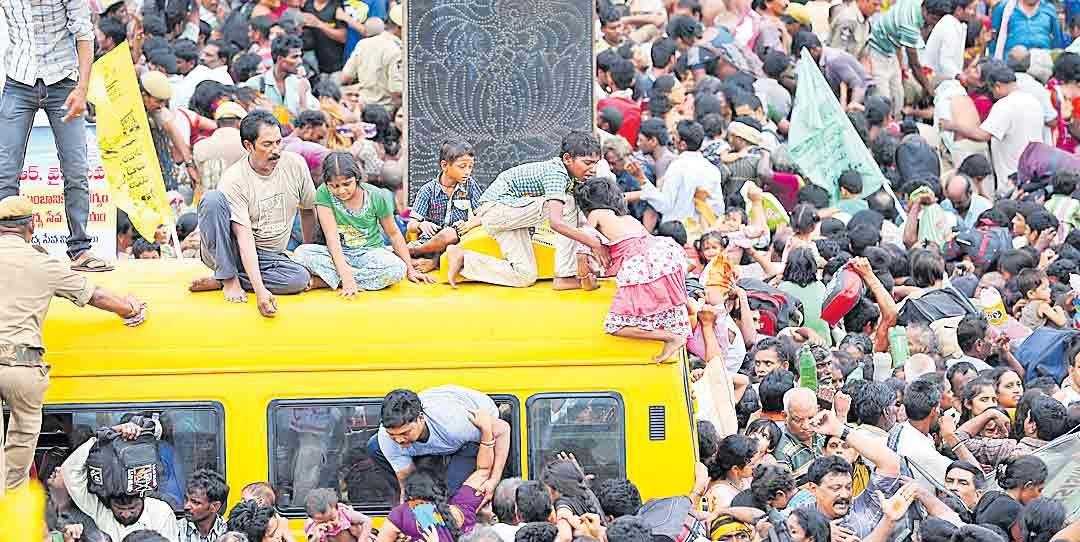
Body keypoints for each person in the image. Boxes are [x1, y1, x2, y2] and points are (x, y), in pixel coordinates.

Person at [0, 195, 147, 492]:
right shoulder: (42, 263)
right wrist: (131, 308)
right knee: (22, 438)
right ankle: (9, 498)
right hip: (21, 367)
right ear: (32, 225)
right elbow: (96, 296)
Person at [0, 0, 113, 272]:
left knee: (76, 170)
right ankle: (9, 248)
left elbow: (83, 34)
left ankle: (80, 249)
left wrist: (82, 89)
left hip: (64, 81)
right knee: (5, 171)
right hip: (18, 79)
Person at [189, 111, 317, 318]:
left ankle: (223, 279)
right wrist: (260, 291)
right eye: (267, 145)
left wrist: (309, 253)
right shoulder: (235, 178)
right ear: (248, 146)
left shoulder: (295, 165)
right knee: (212, 200)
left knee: (299, 279)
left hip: (268, 257)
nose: (276, 150)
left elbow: (309, 209)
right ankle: (228, 277)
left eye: (278, 142)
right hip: (230, 250)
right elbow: (244, 236)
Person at [445, 131, 607, 290]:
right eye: (588, 163)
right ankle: (565, 275)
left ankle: (464, 259)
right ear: (567, 159)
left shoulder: (571, 178)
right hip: (496, 209)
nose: (593, 169)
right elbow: (556, 222)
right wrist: (593, 243)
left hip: (511, 218)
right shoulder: (557, 172)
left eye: (595, 163)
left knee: (524, 276)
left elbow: (578, 222)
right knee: (568, 202)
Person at [573, 177, 691, 362]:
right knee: (664, 302)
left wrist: (582, 262)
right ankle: (681, 320)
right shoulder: (627, 218)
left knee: (614, 326)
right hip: (662, 255)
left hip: (641, 264)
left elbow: (585, 236)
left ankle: (671, 337)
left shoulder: (597, 212)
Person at [292, 151, 432, 296]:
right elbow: (332, 237)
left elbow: (394, 233)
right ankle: (348, 278)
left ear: (357, 177)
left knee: (397, 269)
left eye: (347, 184)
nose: (341, 190)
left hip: (369, 253)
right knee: (301, 253)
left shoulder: (376, 196)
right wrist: (345, 274)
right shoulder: (323, 193)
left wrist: (410, 269)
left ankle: (326, 281)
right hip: (339, 253)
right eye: (334, 186)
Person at [376, 408, 496, 542]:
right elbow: (483, 470)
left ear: (409, 493)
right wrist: (486, 430)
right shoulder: (463, 504)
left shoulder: (401, 515)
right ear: (442, 489)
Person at [372, 386, 510, 501]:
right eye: (393, 435)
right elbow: (408, 484)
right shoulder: (386, 438)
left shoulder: (458, 423)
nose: (399, 440)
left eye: (405, 433)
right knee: (374, 447)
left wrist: (493, 480)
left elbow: (503, 430)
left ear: (421, 418)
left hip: (468, 438)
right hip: (437, 442)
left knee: (453, 495)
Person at [61, 421, 179, 541]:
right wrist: (107, 436)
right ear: (108, 503)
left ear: (143, 497)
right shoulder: (100, 509)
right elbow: (70, 470)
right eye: (119, 509)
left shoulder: (161, 512)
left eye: (132, 508)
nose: (126, 514)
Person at [941, 62, 1044, 194]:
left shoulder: (1005, 105)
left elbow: (982, 135)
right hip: (1032, 168)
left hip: (1011, 174)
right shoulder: (1033, 101)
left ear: (998, 86)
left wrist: (952, 125)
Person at [407, 140, 483, 271]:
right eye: (462, 166)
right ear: (444, 165)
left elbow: (483, 215)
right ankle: (429, 259)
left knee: (449, 235)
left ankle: (414, 253)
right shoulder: (428, 190)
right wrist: (421, 225)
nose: (468, 172)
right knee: (393, 259)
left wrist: (468, 224)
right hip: (429, 243)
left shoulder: (470, 185)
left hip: (456, 241)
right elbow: (411, 225)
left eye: (470, 167)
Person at [339, 3, 402, 109]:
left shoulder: (363, 44)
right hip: (385, 110)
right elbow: (397, 91)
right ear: (400, 28)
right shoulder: (397, 50)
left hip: (362, 106)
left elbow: (345, 77)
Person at [241, 35, 318, 120]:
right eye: (294, 57)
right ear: (280, 59)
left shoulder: (300, 83)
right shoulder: (255, 84)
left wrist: (302, 96)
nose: (300, 61)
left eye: (300, 56)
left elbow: (310, 120)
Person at [193, 101, 249, 197]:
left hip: (209, 205)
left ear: (217, 123)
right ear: (240, 123)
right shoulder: (249, 146)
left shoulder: (199, 146)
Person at [772, 387, 823, 479]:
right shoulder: (782, 450)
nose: (806, 426)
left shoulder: (824, 430)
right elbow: (786, 488)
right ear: (785, 416)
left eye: (811, 418)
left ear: (818, 410)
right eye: (798, 420)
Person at [303, 488, 373, 542]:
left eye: (332, 519)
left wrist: (362, 539)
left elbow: (367, 520)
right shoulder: (311, 526)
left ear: (337, 507)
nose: (329, 523)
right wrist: (316, 537)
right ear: (312, 518)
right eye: (322, 522)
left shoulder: (344, 512)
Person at [178, 470, 229, 542]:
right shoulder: (176, 529)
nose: (186, 506)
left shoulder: (228, 532)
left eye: (195, 502)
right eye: (186, 499)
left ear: (215, 506)